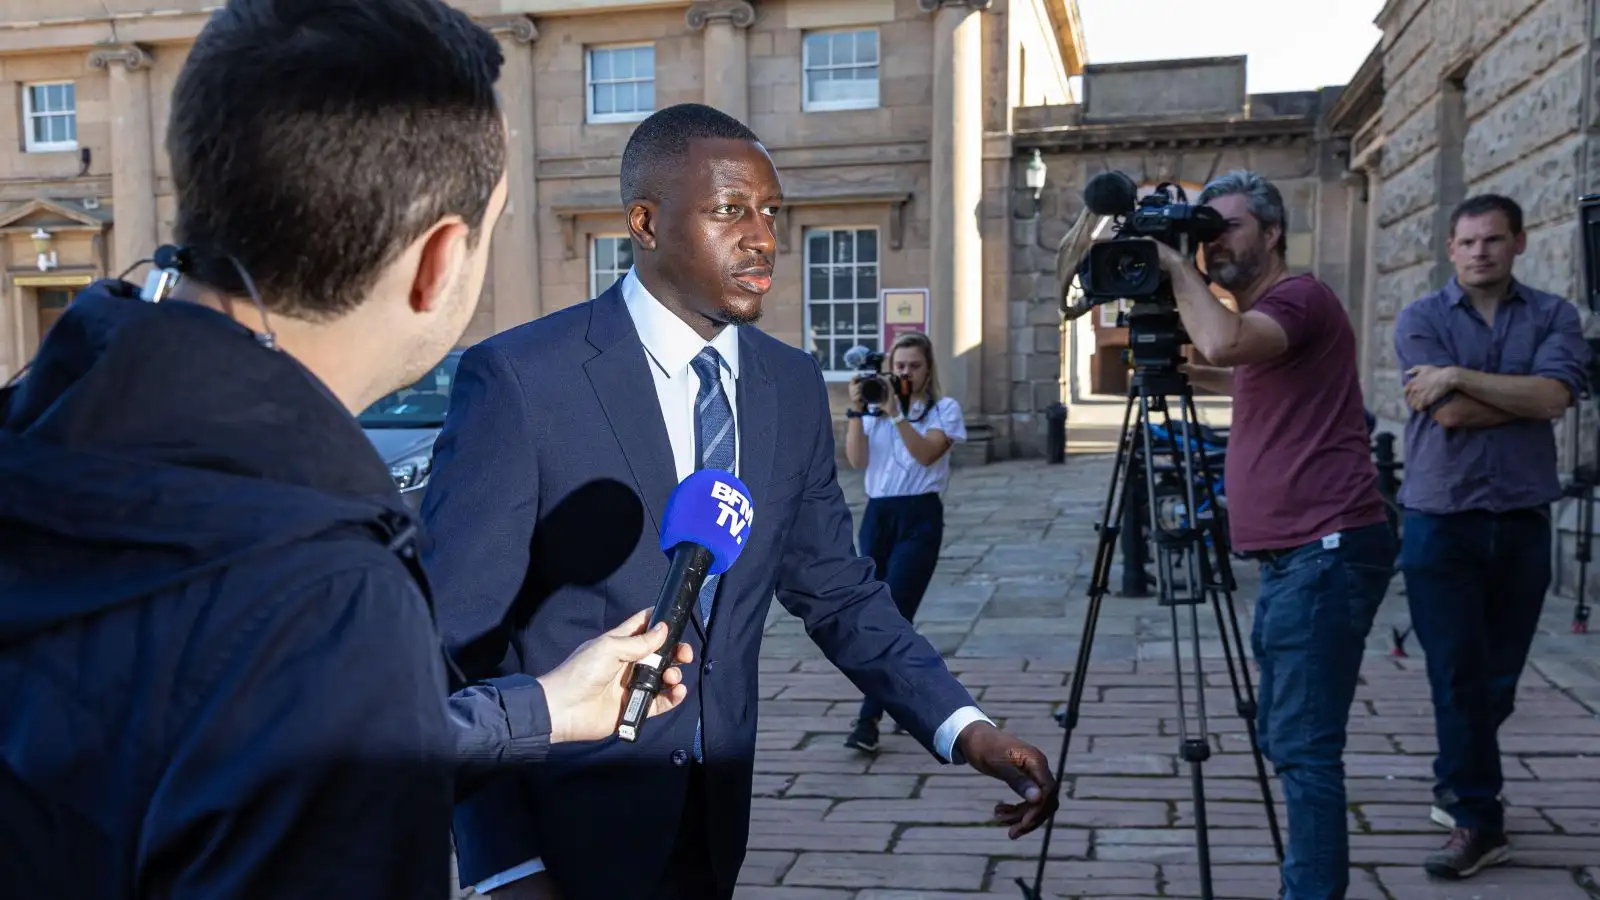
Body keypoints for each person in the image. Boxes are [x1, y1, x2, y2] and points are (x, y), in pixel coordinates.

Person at [0, 3, 690, 898]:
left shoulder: (43, 427)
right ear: (442, 258)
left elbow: (209, 743)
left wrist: (539, 710)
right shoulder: (326, 595)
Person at [420, 102, 1058, 900]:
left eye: (770, 212)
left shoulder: (787, 383)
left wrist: (966, 728)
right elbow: (454, 644)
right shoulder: (521, 379)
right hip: (561, 832)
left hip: (712, 821)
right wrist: (501, 861)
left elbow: (837, 590)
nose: (763, 237)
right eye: (730, 210)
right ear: (646, 223)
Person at [1143, 170, 1397, 900]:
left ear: (1273, 233)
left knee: (1304, 747)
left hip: (1325, 552)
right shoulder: (1269, 320)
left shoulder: (1300, 298)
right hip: (1300, 560)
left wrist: (1171, 265)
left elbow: (1222, 344)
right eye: (1205, 229)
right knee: (1289, 738)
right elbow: (1231, 361)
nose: (1213, 241)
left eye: (1227, 227)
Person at [1393, 194, 1590, 880]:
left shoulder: (1555, 315)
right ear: (1451, 249)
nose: (1481, 252)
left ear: (1519, 243)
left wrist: (1462, 376)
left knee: (1499, 678)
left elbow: (1555, 400)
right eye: (1469, 242)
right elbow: (1446, 414)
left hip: (1523, 518)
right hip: (1440, 520)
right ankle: (1479, 820)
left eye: (1494, 240)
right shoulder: (1420, 318)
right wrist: (1507, 392)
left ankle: (1458, 775)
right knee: (1456, 673)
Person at [840, 330, 964, 753]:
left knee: (894, 615)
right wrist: (858, 412)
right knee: (883, 615)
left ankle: (867, 720)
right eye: (899, 366)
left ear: (928, 370)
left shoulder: (943, 410)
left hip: (920, 516)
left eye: (913, 366)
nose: (905, 373)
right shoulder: (874, 408)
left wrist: (897, 414)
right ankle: (914, 699)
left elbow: (927, 455)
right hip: (878, 515)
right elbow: (856, 461)